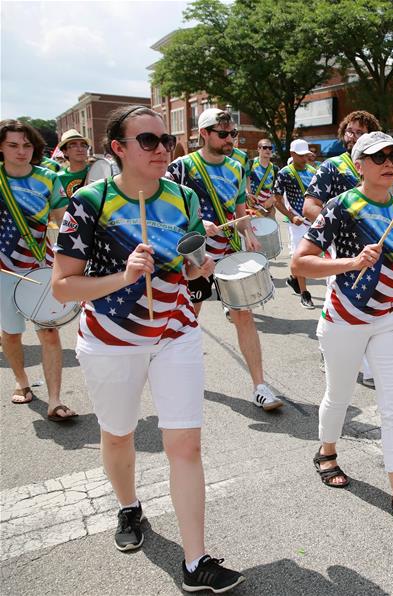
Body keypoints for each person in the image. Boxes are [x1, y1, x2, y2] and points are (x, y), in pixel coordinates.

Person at [51, 105, 245, 592]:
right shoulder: (90, 202)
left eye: (166, 141)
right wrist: (123, 276)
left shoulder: (183, 197)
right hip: (112, 339)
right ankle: (128, 506)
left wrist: (202, 268)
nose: (163, 149)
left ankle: (196, 561)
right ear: (118, 149)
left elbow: (196, 263)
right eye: (149, 141)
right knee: (118, 435)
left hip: (176, 333)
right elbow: (62, 288)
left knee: (186, 444)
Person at [291, 132, 393, 537]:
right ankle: (327, 451)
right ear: (359, 165)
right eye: (378, 157)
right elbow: (301, 263)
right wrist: (352, 262)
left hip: (389, 316)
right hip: (343, 317)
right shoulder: (341, 207)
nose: (390, 162)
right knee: (339, 395)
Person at [166, 108, 283, 411]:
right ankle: (178, 378)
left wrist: (249, 232)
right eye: (223, 133)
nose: (230, 138)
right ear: (203, 134)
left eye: (233, 133)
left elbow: (239, 209)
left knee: (244, 315)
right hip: (197, 257)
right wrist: (195, 224)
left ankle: (260, 386)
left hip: (230, 250)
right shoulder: (180, 168)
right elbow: (165, 211)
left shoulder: (236, 167)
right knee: (189, 317)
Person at [0, 119, 75, 421]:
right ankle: (21, 381)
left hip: (40, 266)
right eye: (13, 146)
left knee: (50, 332)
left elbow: (65, 219)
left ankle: (55, 400)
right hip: (4, 271)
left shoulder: (47, 178)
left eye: (27, 145)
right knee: (11, 333)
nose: (22, 151)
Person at [304, 110, 382, 387]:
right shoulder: (332, 167)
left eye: (360, 132)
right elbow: (310, 205)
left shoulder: (380, 165)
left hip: (377, 250)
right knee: (337, 301)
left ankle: (370, 363)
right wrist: (335, 229)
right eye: (350, 131)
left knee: (373, 303)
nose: (352, 136)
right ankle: (332, 351)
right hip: (340, 248)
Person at [273, 138, 317, 308]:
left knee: (316, 255)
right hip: (297, 222)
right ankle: (305, 293)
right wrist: (292, 217)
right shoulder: (284, 173)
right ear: (292, 154)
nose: (304, 158)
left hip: (313, 221)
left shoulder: (313, 172)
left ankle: (293, 278)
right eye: (300, 155)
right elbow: (277, 200)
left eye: (306, 155)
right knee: (300, 256)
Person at [246, 138, 277, 218]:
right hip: (249, 208)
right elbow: (243, 182)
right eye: (264, 147)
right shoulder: (250, 164)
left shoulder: (275, 169)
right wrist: (248, 194)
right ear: (258, 149)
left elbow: (277, 189)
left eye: (270, 148)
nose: (268, 150)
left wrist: (272, 199)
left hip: (266, 209)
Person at [56, 129, 91, 199]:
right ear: (65, 151)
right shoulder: (58, 178)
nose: (80, 149)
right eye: (73, 145)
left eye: (83, 145)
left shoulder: (97, 171)